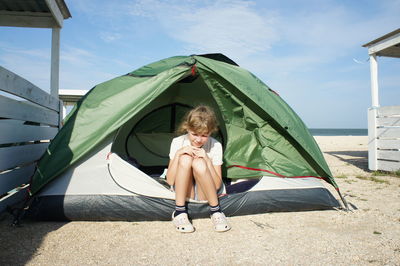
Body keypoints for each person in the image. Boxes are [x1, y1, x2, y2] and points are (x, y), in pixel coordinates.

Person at [166, 105, 231, 233]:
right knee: (185, 158)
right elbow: (170, 181)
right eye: (194, 134)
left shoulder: (215, 145)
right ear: (187, 128)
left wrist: (207, 159)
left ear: (211, 132)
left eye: (204, 135)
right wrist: (179, 154)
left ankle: (216, 211)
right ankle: (179, 212)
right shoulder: (178, 142)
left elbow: (217, 184)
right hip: (185, 191)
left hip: (206, 192)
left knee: (199, 163)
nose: (198, 139)